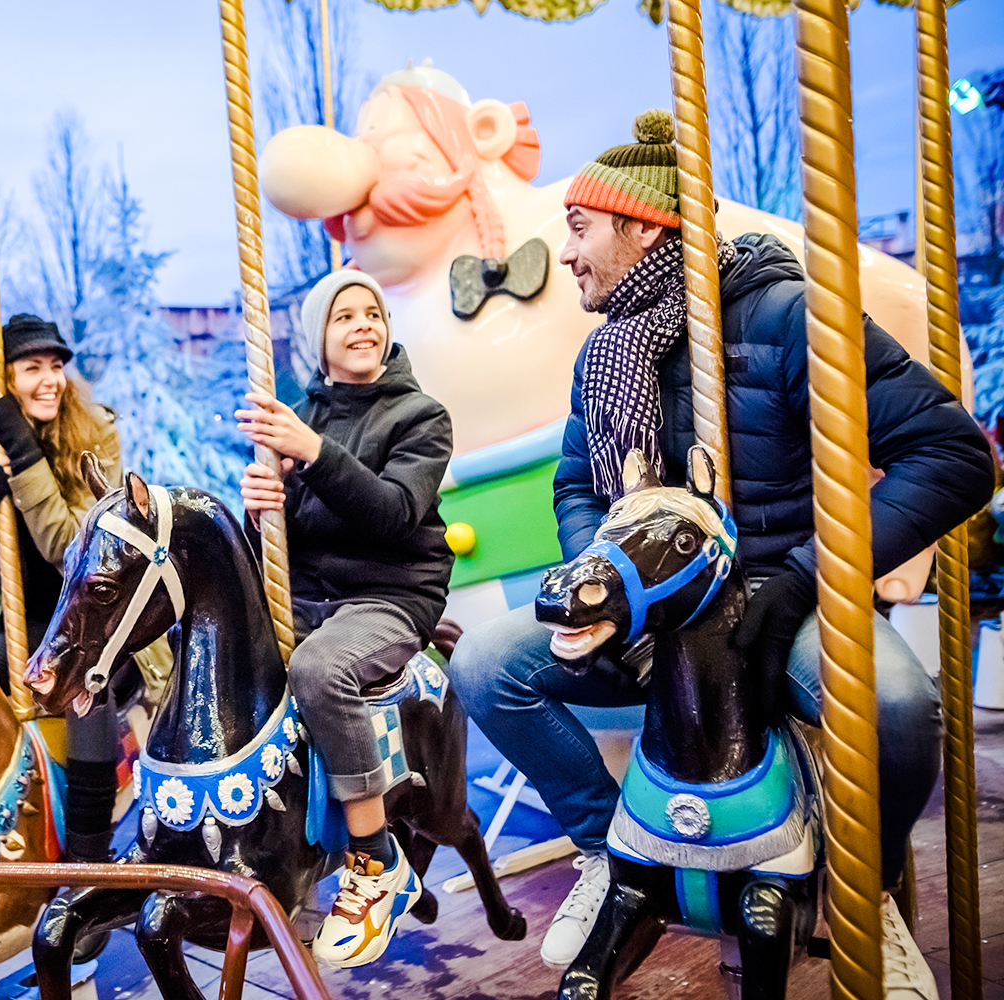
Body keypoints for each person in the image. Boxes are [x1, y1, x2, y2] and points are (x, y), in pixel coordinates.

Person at [447, 110, 993, 994]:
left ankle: (869, 891)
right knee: (484, 665)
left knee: (897, 708)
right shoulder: (604, 354)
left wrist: (810, 576)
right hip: (652, 604)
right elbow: (577, 485)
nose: (570, 256)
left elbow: (954, 455)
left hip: (782, 596)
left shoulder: (788, 317)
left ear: (640, 226)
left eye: (580, 230)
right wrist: (606, 579)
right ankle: (606, 849)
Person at [237, 269, 453, 968]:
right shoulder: (301, 419)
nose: (363, 325)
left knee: (319, 668)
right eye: (344, 317)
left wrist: (315, 454)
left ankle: (373, 857)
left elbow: (393, 515)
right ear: (318, 341)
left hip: (390, 596)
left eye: (373, 313)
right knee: (221, 651)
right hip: (312, 596)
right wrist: (261, 510)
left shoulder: (420, 416)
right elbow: (289, 546)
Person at [0, 313, 164, 865]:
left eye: (56, 366)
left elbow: (74, 551)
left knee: (81, 688)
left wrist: (25, 460)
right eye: (31, 368)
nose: (50, 379)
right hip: (34, 626)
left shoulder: (97, 437)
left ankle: (88, 861)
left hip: (104, 626)